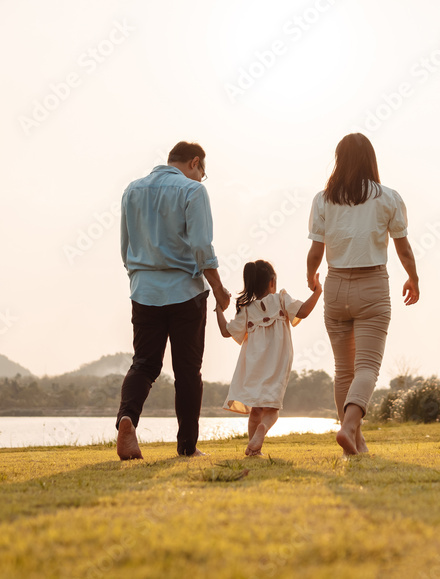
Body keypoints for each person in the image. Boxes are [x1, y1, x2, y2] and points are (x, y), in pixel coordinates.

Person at [115, 141, 231, 460]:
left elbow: (126, 248)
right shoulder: (192, 191)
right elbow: (201, 247)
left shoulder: (132, 190)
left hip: (144, 292)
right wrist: (219, 290)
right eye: (202, 173)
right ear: (195, 163)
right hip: (185, 292)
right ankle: (187, 447)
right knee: (187, 371)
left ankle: (127, 419)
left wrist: (141, 277)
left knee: (144, 364)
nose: (201, 179)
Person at [306, 133, 419, 456]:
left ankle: (354, 442)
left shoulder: (323, 199)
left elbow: (315, 251)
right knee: (367, 366)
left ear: (339, 160)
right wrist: (413, 278)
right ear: (371, 160)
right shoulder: (388, 198)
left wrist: (310, 275)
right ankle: (349, 426)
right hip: (372, 285)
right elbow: (404, 248)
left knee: (344, 369)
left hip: (336, 284)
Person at [215, 260, 323, 457]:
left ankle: (253, 448)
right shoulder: (281, 299)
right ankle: (262, 430)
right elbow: (304, 311)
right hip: (278, 362)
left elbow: (225, 331)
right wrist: (317, 292)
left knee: (256, 409)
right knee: (272, 408)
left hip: (255, 365)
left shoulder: (247, 309)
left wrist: (219, 310)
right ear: (272, 282)